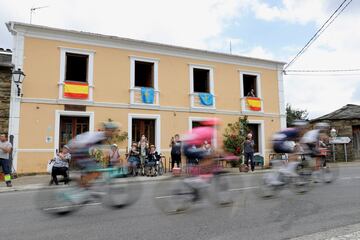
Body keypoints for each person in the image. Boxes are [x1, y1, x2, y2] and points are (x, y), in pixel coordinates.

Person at [67, 122, 119, 187]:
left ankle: (82, 185)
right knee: (98, 170)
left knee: (91, 170)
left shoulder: (102, 136)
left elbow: (101, 149)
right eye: (113, 131)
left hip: (78, 148)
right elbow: (85, 145)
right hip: (79, 149)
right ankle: (83, 184)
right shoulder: (101, 136)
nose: (113, 133)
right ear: (108, 130)